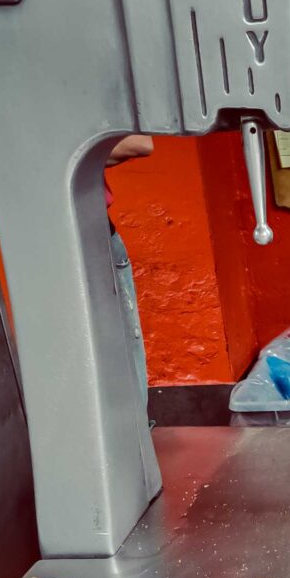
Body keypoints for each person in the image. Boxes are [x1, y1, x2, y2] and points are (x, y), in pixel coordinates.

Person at [105, 134, 155, 404]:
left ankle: (136, 438)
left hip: (94, 235)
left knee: (121, 347)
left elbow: (139, 143)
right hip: (37, 242)